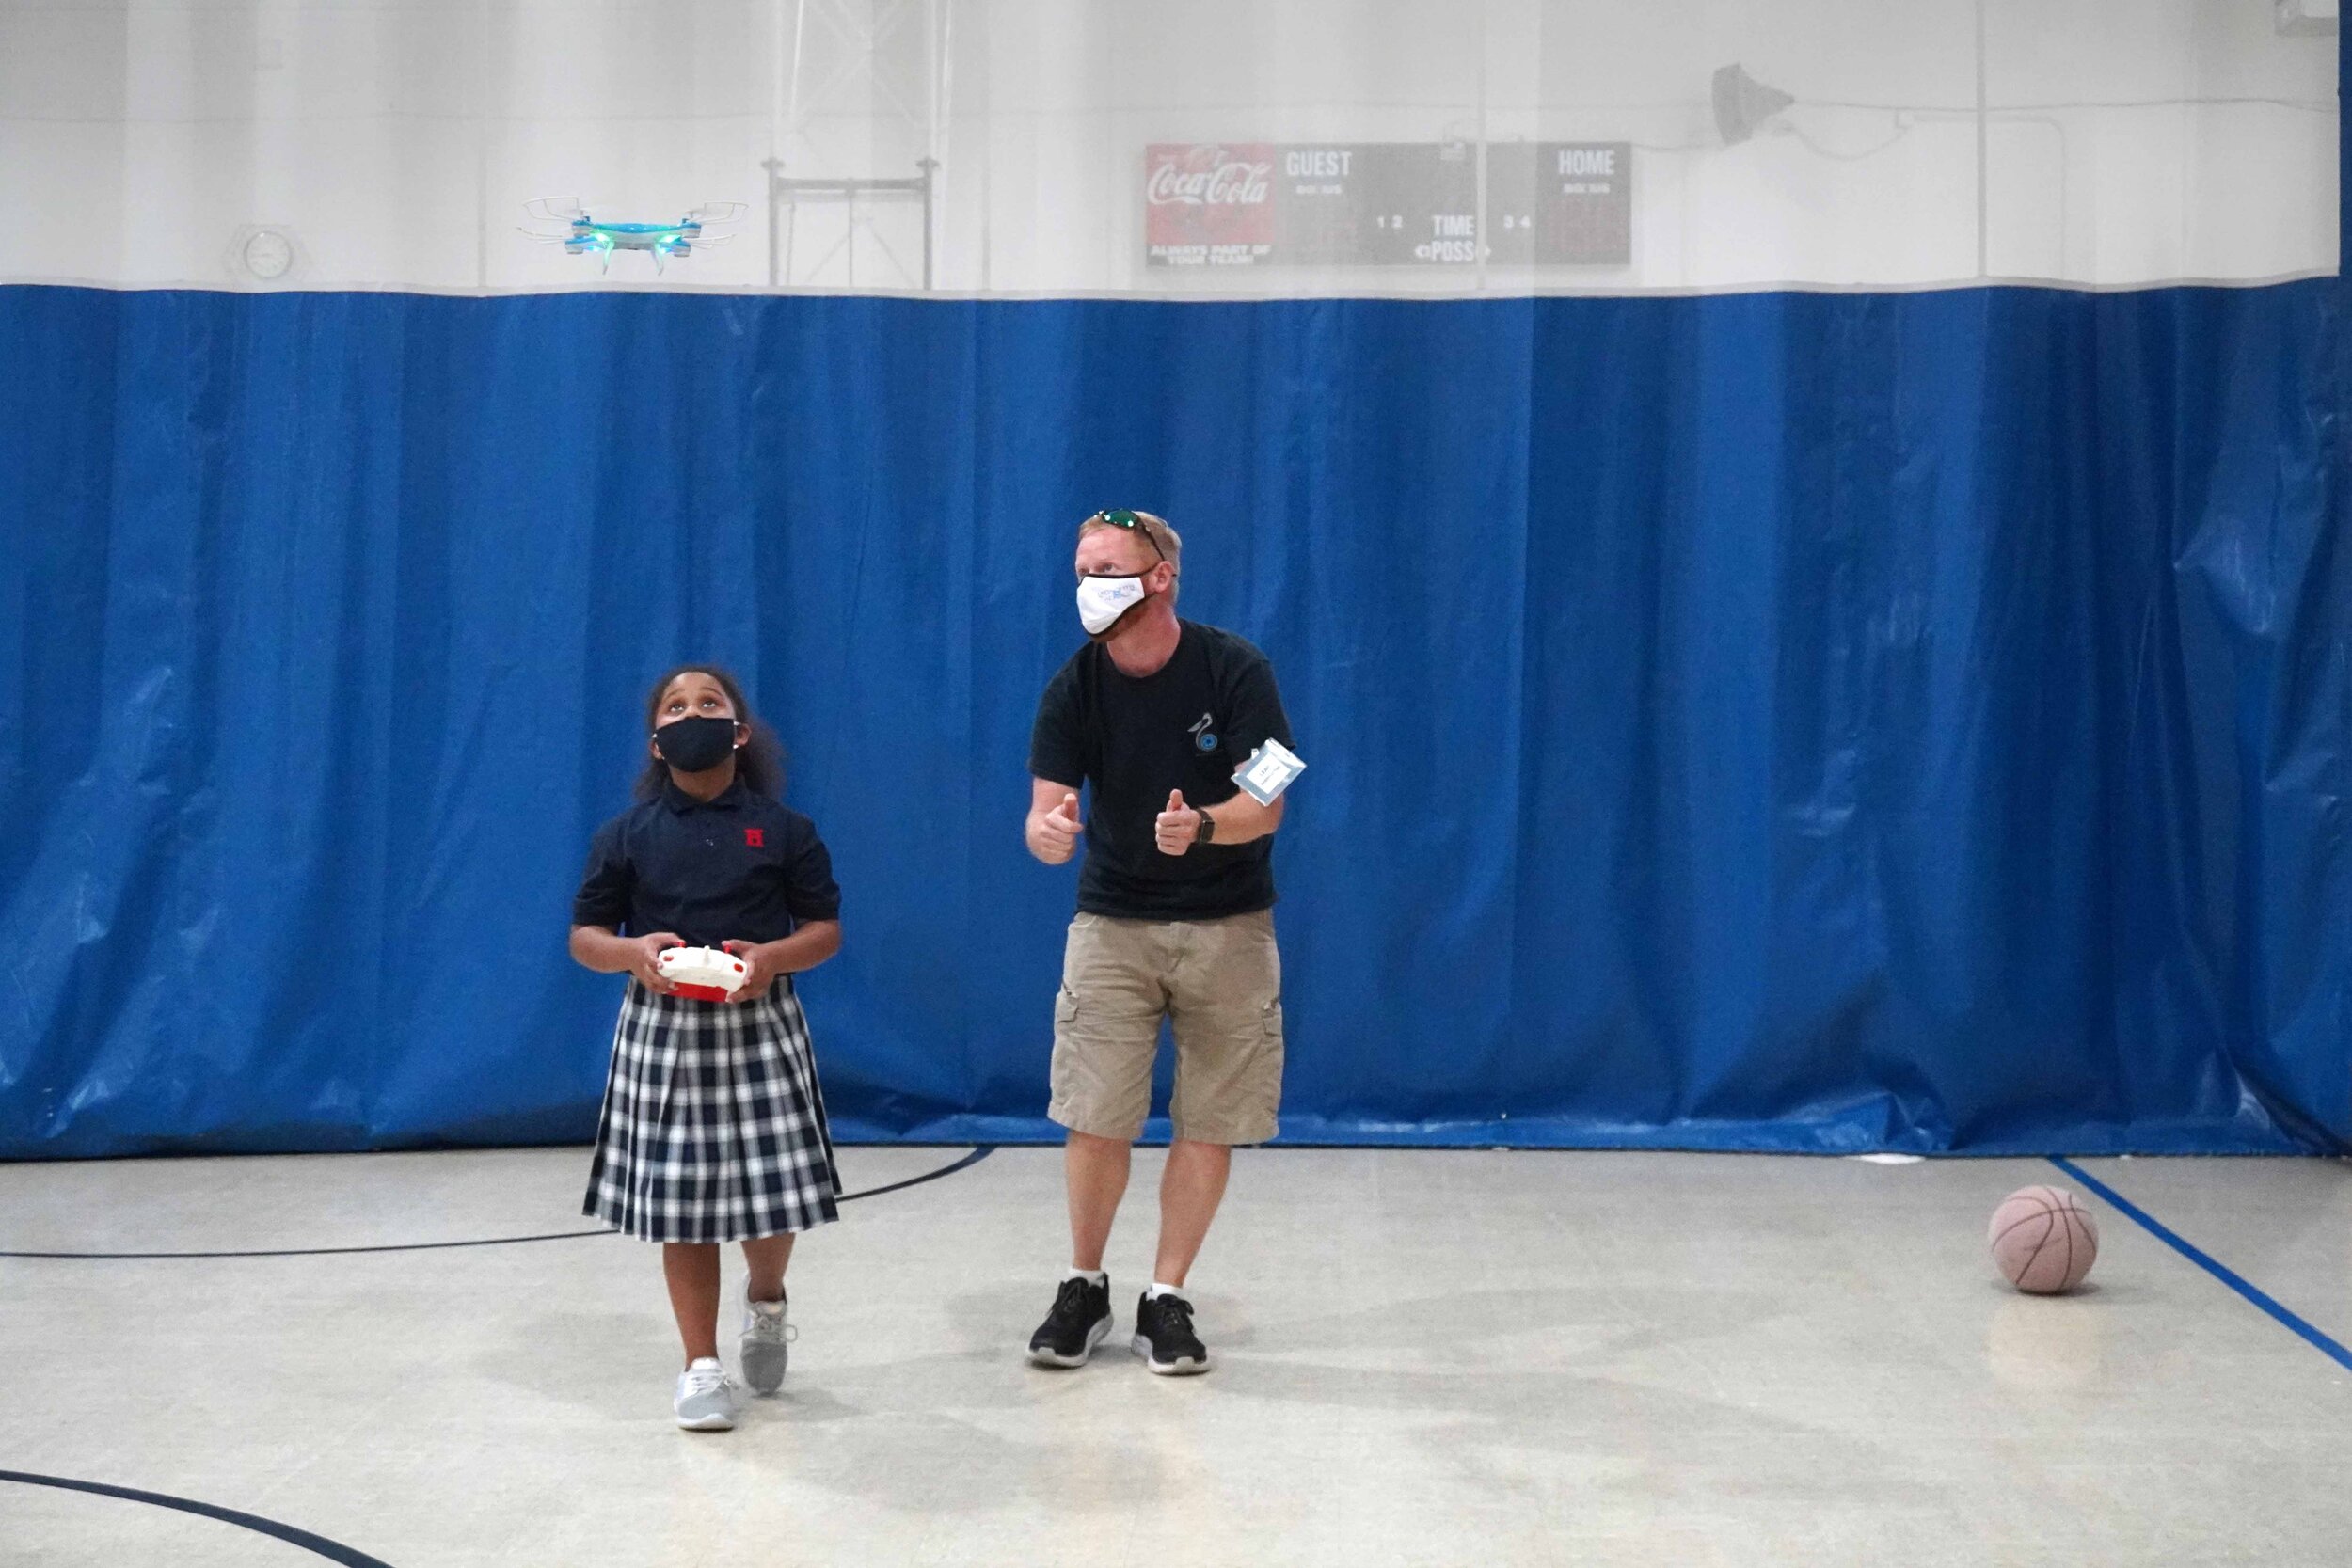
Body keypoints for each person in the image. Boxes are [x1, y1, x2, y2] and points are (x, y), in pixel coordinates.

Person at [1023, 508, 1295, 1376]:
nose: (1090, 586)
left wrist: (1204, 825)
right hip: (1113, 923)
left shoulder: (1237, 669)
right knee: (1095, 1113)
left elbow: (1270, 802)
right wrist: (1048, 833)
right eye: (1082, 571)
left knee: (1209, 1119)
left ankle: (1167, 1295)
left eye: (1108, 570)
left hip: (1229, 925)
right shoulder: (1073, 686)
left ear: (1160, 577)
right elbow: (1044, 812)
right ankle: (1084, 1283)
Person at [568, 665, 845, 1431]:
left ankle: (767, 1298)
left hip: (762, 1023)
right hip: (665, 1030)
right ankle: (700, 1365)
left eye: (709, 702)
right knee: (682, 1205)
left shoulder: (785, 830)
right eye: (675, 706)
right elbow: (585, 936)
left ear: (739, 731)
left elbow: (824, 929)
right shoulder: (625, 835)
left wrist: (772, 959)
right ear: (657, 742)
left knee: (773, 1194)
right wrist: (631, 954)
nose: (693, 713)